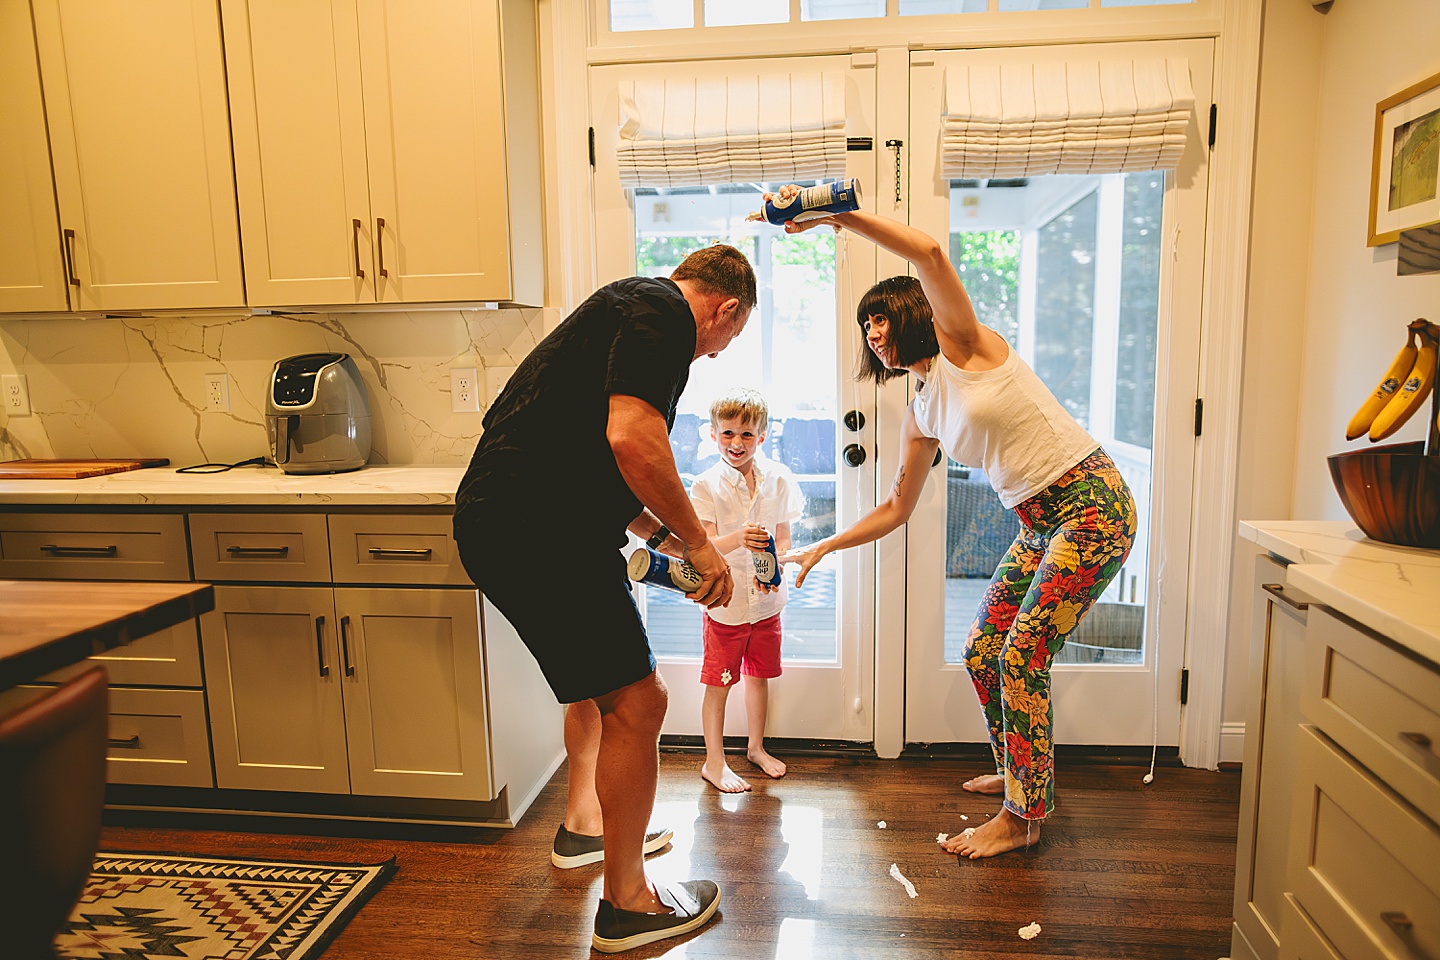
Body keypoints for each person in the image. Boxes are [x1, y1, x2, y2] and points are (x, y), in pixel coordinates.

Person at [778, 188, 1137, 860]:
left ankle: (1021, 816)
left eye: (879, 317)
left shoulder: (964, 345)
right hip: (1038, 522)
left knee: (1023, 654)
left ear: (910, 313)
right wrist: (823, 545)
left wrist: (837, 217)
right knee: (983, 652)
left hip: (1093, 502)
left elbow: (932, 251)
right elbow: (895, 507)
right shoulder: (921, 406)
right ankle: (1018, 773)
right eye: (865, 325)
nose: (872, 332)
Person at [452, 245, 757, 952]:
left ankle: (589, 830)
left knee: (604, 692)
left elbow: (601, 464)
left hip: (517, 519)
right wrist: (704, 546)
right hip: (537, 526)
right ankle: (628, 902)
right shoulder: (660, 314)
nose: (711, 355)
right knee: (640, 701)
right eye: (725, 341)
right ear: (725, 308)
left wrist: (674, 541)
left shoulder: (622, 310)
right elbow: (633, 438)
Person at [688, 388, 804, 793]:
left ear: (763, 435)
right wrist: (741, 537)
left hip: (767, 602)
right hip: (727, 605)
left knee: (759, 677)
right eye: (728, 434)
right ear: (713, 434)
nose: (737, 443)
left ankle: (756, 747)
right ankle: (714, 762)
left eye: (747, 435)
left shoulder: (779, 479)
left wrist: (777, 564)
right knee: (718, 683)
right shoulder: (705, 485)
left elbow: (785, 540)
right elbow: (704, 545)